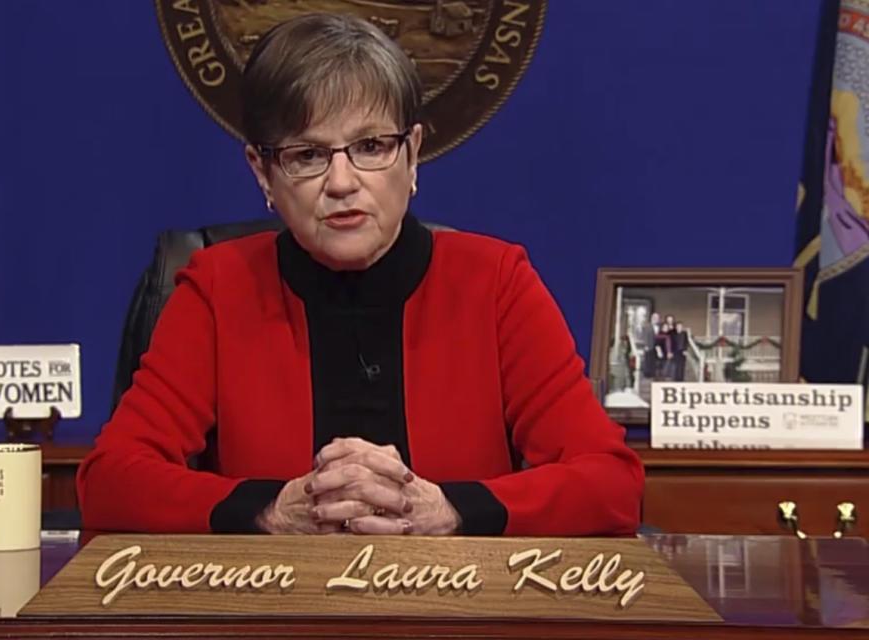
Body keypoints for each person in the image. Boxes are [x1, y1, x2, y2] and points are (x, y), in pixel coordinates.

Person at [77, 13, 643, 536]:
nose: (343, 181)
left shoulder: (495, 282)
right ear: (264, 173)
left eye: (371, 146)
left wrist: (448, 511)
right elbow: (111, 483)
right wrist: (274, 511)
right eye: (306, 155)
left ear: (412, 154)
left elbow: (612, 484)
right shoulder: (218, 288)